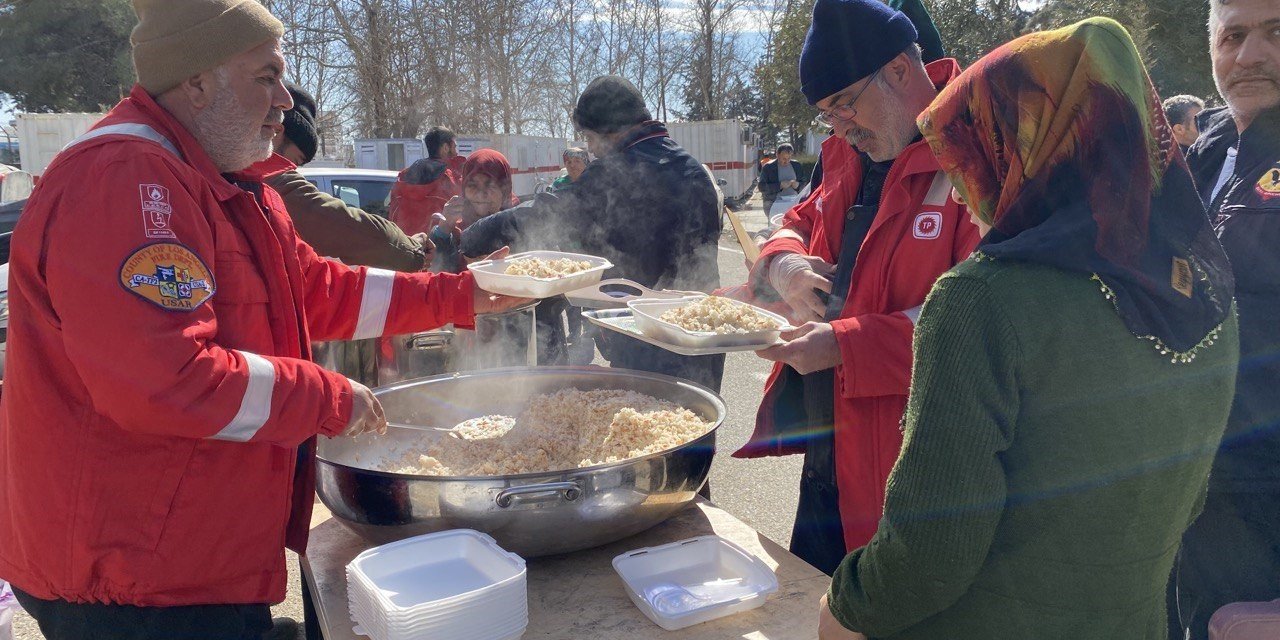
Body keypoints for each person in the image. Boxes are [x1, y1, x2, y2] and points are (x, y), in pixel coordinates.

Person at [0, 1, 523, 637]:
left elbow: (317, 290)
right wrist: (330, 395)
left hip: (185, 555)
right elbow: (168, 379)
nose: (284, 101)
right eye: (265, 78)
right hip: (129, 581)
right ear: (196, 81)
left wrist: (461, 297)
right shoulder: (127, 180)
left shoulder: (226, 180)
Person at [816, 18, 1240, 640]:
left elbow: (930, 552)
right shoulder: (1205, 289)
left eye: (976, 149)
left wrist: (844, 607)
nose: (962, 190)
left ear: (1029, 143)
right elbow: (1186, 502)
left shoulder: (982, 300)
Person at [735, 0, 979, 577]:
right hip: (830, 454)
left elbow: (981, 321)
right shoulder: (849, 152)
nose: (840, 126)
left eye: (843, 104)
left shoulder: (975, 153)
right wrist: (784, 268)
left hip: (912, 468)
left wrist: (846, 344)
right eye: (827, 115)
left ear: (899, 69)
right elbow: (793, 223)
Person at [461, 75, 725, 391]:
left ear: (608, 131)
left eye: (589, 137)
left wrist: (464, 241)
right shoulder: (694, 168)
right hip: (705, 336)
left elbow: (546, 214)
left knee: (653, 433)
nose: (591, 149)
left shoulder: (621, 170)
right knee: (699, 426)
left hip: (649, 343)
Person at [1173, 0, 1280, 637]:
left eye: (1276, 33)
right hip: (1191, 484)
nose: (1250, 55)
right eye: (1233, 36)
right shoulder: (1199, 152)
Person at [265, 82, 432, 272]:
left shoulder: (235, 172)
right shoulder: (266, 179)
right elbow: (339, 223)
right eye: (293, 162)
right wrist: (413, 249)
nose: (293, 171)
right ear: (277, 132)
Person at [388, 126, 462, 237]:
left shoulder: (403, 177)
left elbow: (392, 216)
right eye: (454, 147)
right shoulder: (450, 180)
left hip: (405, 247)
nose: (456, 152)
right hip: (436, 249)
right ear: (446, 148)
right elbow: (460, 220)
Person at [759, 143, 809, 215]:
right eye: (784, 158)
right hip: (773, 203)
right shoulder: (768, 167)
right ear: (777, 155)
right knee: (776, 225)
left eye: (789, 158)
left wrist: (798, 185)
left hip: (793, 203)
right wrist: (779, 186)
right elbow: (761, 187)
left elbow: (805, 184)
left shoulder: (797, 165)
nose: (786, 161)